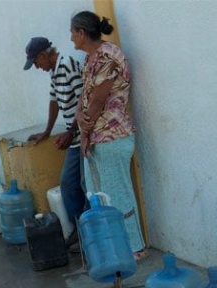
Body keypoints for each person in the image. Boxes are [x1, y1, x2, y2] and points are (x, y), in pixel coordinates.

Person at [70, 11, 147, 260]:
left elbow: (97, 101)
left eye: (72, 32)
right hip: (97, 138)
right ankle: (114, 247)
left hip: (112, 137)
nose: (70, 38)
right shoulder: (91, 58)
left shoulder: (106, 56)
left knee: (118, 195)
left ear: (81, 33)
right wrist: (78, 121)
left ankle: (135, 247)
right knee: (99, 198)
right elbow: (86, 94)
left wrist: (83, 134)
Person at [24, 37, 86, 251]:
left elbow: (83, 101)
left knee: (80, 185)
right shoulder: (54, 70)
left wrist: (71, 131)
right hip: (74, 138)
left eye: (36, 62)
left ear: (43, 55)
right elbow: (53, 101)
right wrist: (47, 131)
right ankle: (80, 231)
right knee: (70, 184)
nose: (37, 67)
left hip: (83, 136)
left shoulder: (68, 64)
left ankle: (85, 233)